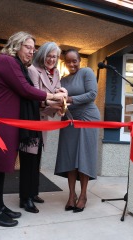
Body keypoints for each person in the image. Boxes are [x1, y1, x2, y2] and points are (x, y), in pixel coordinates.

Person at [0, 31, 66, 227]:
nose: (31, 51)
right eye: (28, 47)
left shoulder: (16, 65)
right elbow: (25, 90)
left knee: (1, 167)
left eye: (33, 48)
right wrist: (53, 97)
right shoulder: (6, 61)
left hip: (5, 122)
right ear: (16, 45)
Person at [19, 42, 63, 213]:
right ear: (42, 55)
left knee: (36, 159)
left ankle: (33, 192)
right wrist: (57, 101)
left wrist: (62, 97)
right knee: (28, 160)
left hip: (43, 121)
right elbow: (36, 98)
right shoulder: (32, 70)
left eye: (55, 56)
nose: (52, 59)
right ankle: (25, 198)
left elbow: (58, 92)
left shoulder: (56, 72)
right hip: (31, 120)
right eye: (49, 56)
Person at [55, 49, 100, 213]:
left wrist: (71, 99)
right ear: (65, 62)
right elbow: (60, 100)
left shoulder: (87, 72)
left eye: (75, 61)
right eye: (68, 61)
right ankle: (71, 195)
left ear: (80, 60)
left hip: (88, 116)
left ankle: (83, 195)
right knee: (69, 156)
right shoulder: (63, 80)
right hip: (69, 118)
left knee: (84, 156)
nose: (72, 64)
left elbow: (92, 94)